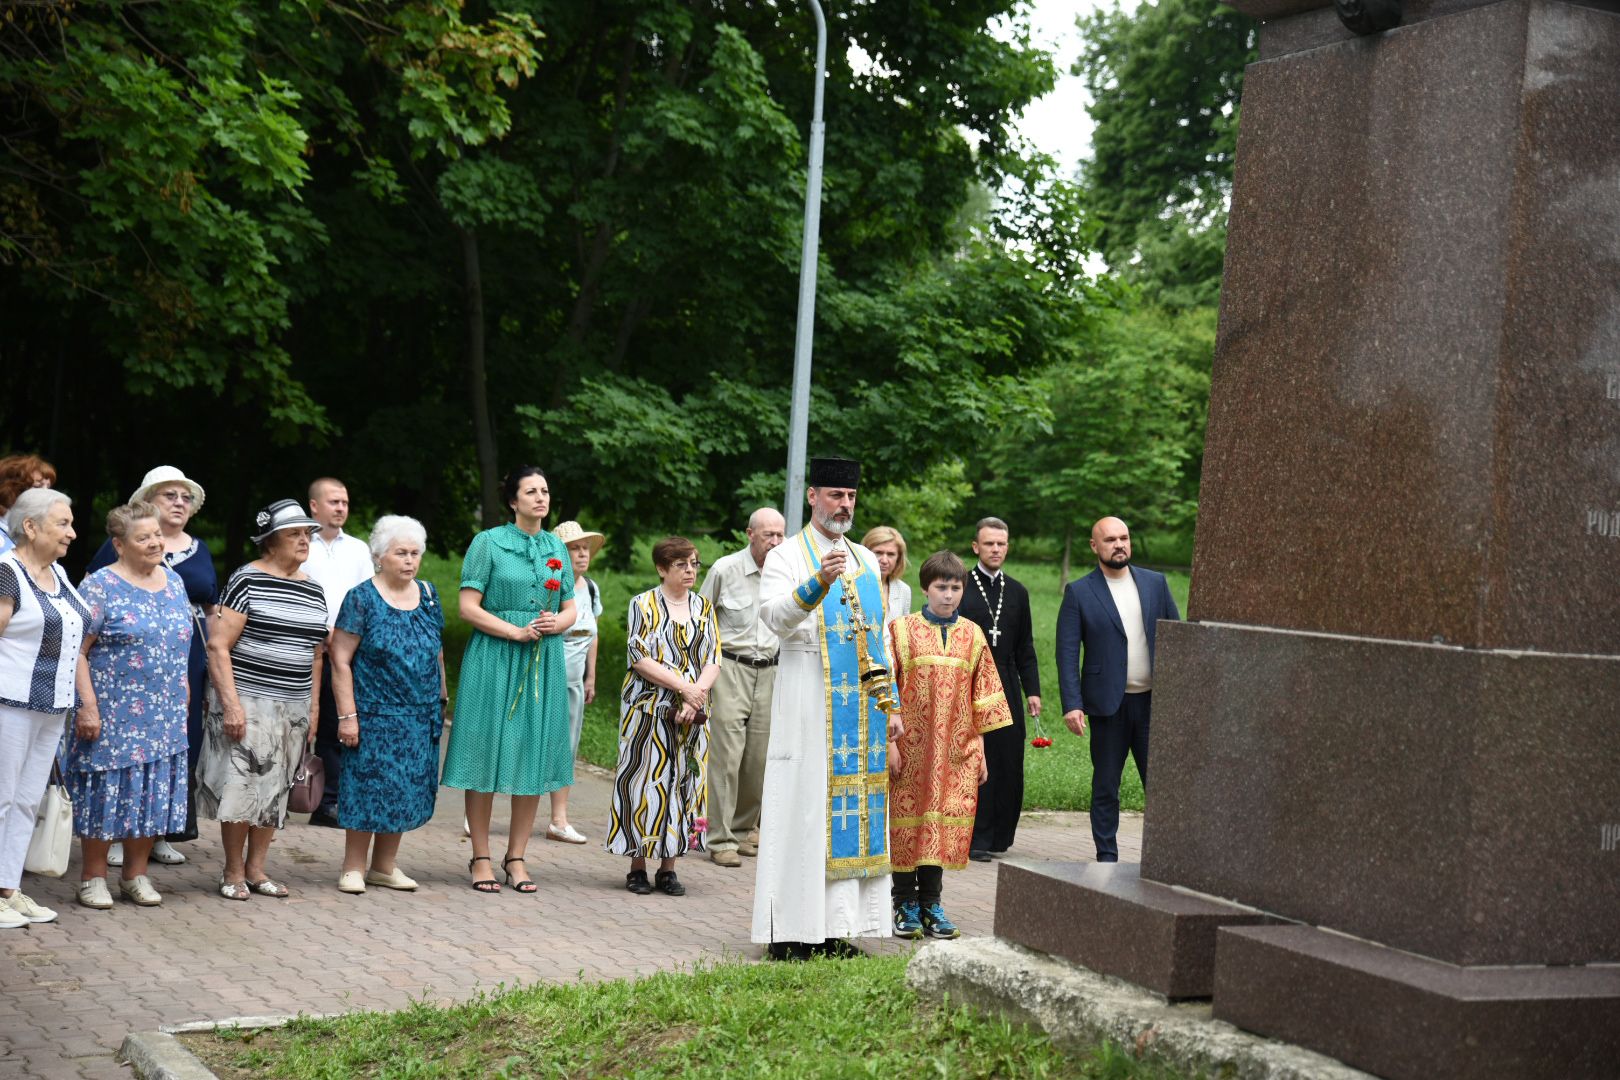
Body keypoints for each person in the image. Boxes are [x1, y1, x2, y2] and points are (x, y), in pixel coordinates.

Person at [752, 457, 902, 960]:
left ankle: (834, 928)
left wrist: (891, 704)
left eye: (851, 497)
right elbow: (773, 617)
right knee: (801, 806)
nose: (844, 505)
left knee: (847, 811)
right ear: (813, 496)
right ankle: (788, 932)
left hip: (857, 711)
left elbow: (878, 635)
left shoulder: (862, 558)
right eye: (835, 495)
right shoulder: (788, 555)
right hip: (805, 694)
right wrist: (816, 581)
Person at [441, 465, 577, 895]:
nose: (541, 498)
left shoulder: (557, 546)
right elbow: (468, 607)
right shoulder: (488, 543)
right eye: (531, 491)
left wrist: (559, 622)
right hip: (495, 657)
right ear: (513, 501)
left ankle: (515, 857)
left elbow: (572, 607)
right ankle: (481, 855)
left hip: (542, 659)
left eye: (546, 491)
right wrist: (514, 630)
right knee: (485, 753)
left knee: (531, 756)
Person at [84, 466, 215, 869]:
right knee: (113, 777)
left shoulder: (180, 572)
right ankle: (99, 868)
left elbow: (203, 611)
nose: (178, 503)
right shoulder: (105, 574)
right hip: (118, 688)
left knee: (161, 774)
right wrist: (87, 703)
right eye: (168, 496)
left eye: (184, 497)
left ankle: (143, 859)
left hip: (173, 683)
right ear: (121, 544)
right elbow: (81, 639)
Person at [198, 499, 327, 900]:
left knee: (275, 789)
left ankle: (257, 869)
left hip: (294, 703)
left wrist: (315, 707)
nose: (304, 540)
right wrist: (231, 705)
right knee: (242, 785)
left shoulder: (314, 589)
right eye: (295, 534)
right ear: (271, 542)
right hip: (249, 700)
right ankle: (232, 871)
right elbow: (218, 646)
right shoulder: (246, 579)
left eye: (308, 533)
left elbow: (317, 654)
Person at [68, 502, 192, 909]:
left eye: (157, 534)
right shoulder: (100, 586)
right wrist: (87, 705)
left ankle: (135, 876)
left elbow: (181, 642)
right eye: (144, 537)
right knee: (106, 793)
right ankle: (93, 878)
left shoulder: (174, 582)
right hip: (114, 712)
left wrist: (185, 686)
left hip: (166, 711)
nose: (156, 541)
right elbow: (78, 652)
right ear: (119, 544)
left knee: (152, 794)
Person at [887, 550, 1011, 940]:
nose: (949, 595)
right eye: (941, 587)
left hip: (955, 752)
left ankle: (932, 903)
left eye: (956, 587)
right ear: (926, 588)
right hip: (909, 749)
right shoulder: (900, 630)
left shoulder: (972, 635)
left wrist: (981, 750)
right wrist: (888, 744)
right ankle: (903, 902)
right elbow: (885, 689)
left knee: (941, 823)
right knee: (906, 823)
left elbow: (984, 694)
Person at [326, 516, 446, 894]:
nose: (410, 561)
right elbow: (340, 658)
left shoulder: (427, 595)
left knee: (405, 789)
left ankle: (384, 866)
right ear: (380, 556)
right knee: (367, 789)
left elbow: (437, 649)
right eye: (401, 553)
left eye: (415, 553)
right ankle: (353, 867)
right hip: (374, 712)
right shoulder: (361, 598)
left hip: (420, 712)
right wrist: (347, 717)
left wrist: (442, 698)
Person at [1055, 516, 1182, 862]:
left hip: (1153, 703)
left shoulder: (1155, 583)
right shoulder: (1080, 592)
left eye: (1124, 538)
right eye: (1110, 540)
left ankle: (1166, 857)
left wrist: (1181, 693)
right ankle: (1107, 856)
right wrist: (1072, 704)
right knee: (1107, 785)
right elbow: (1067, 652)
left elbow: (1176, 636)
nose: (1119, 545)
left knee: (1161, 787)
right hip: (1108, 705)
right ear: (1095, 546)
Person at [604, 537, 719, 897]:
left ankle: (669, 867)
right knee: (643, 783)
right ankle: (637, 866)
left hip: (693, 711)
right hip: (648, 710)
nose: (690, 571)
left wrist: (695, 694)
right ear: (662, 568)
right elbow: (639, 656)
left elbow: (714, 658)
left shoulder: (704, 607)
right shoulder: (643, 604)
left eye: (694, 564)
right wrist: (684, 688)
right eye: (681, 564)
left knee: (685, 784)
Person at [0, 488, 86, 928]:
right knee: (1, 797)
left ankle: (9, 889)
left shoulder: (59, 574)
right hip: (9, 701)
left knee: (26, 800)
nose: (72, 532)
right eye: (63, 524)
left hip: (52, 706)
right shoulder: (7, 572)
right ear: (30, 527)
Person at [699, 507, 784, 868]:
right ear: (750, 534)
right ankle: (719, 839)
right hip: (730, 666)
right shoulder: (725, 569)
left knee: (759, 758)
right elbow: (700, 619)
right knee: (727, 756)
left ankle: (744, 829)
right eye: (768, 535)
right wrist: (701, 679)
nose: (776, 542)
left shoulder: (787, 573)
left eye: (780, 535)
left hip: (771, 670)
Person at [957, 516, 1041, 862]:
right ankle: (973, 835)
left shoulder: (1018, 591)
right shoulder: (960, 584)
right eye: (989, 543)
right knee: (976, 758)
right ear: (976, 546)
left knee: (1007, 760)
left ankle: (999, 836)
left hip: (1006, 681)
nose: (996, 549)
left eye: (1001, 544)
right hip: (968, 682)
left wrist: (1032, 690)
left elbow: (1026, 646)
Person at [302, 477, 373, 828]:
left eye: (344, 502)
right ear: (314, 506)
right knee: (311, 725)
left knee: (340, 721)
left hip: (349, 651)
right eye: (333, 502)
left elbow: (367, 597)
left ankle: (333, 799)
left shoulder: (359, 550)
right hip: (307, 649)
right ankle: (307, 794)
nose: (341, 507)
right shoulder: (302, 546)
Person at [547, 520, 605, 845]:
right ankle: (484, 815)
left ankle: (559, 820)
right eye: (574, 548)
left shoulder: (591, 588)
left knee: (567, 746)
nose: (582, 554)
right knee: (528, 742)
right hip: (548, 675)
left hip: (574, 681)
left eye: (585, 548)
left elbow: (592, 635)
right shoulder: (550, 587)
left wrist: (591, 676)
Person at [0, 454, 57, 558]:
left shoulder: (31, 534)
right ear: (10, 489)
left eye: (48, 488)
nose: (47, 495)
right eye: (37, 486)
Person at [861, 525, 911, 623]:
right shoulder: (851, 584)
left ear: (899, 558)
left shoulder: (903, 590)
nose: (884, 560)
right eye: (878, 553)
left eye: (891, 554)